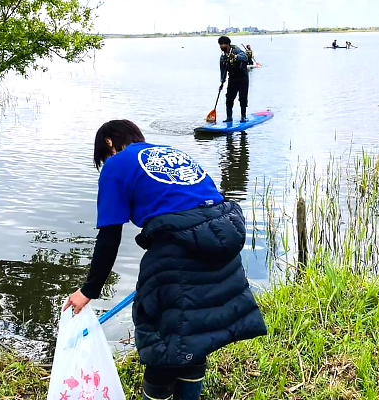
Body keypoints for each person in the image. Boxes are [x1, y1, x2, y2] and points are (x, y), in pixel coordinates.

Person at [64, 120, 267, 400]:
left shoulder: (117, 163)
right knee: (192, 332)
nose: (106, 160)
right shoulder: (170, 152)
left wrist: (88, 290)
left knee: (161, 341)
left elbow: (110, 237)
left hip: (179, 249)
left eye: (104, 154)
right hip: (222, 239)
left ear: (110, 142)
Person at [218, 35, 249, 123]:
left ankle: (243, 116)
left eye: (222, 44)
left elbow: (245, 57)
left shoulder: (236, 50)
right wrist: (222, 82)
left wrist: (235, 57)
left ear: (227, 44)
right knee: (229, 98)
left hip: (243, 77)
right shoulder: (223, 57)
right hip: (232, 78)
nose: (221, 47)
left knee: (242, 98)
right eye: (220, 45)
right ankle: (229, 117)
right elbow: (223, 71)